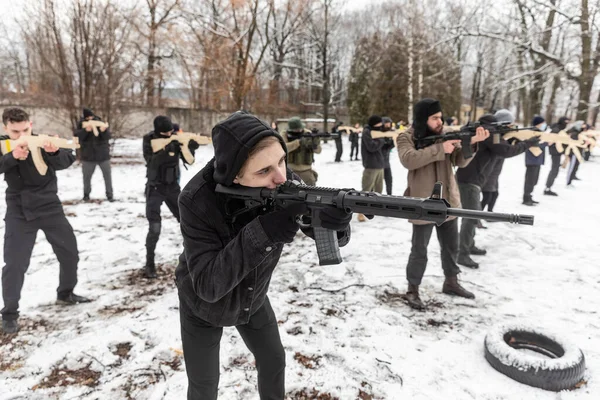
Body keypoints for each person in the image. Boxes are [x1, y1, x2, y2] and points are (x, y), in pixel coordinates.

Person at [175, 111, 352, 399]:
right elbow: (208, 285)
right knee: (204, 385)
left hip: (253, 295)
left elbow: (313, 222)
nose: (282, 177)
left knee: (273, 360)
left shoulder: (281, 180)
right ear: (234, 175)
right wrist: (265, 231)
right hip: (201, 307)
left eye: (282, 160)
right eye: (264, 171)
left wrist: (334, 224)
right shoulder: (196, 200)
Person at [1, 107, 90, 334]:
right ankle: (10, 313)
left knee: (69, 252)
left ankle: (65, 293)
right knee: (14, 264)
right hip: (19, 210)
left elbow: (68, 159)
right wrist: (12, 157)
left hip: (49, 205)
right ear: (5, 128)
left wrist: (52, 152)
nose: (21, 135)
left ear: (31, 124)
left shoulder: (43, 140)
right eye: (15, 131)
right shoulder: (4, 145)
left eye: (25, 129)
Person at [396, 98, 488, 310]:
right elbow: (408, 160)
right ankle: (413, 289)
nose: (440, 121)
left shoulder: (446, 133)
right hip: (423, 202)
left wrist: (471, 144)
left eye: (440, 117)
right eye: (435, 118)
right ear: (423, 118)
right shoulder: (406, 137)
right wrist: (440, 149)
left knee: (451, 246)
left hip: (448, 200)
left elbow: (459, 161)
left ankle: (451, 281)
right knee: (420, 249)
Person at [455, 114, 539, 268]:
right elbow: (505, 151)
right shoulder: (490, 132)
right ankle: (462, 253)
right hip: (469, 180)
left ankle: (469, 245)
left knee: (473, 214)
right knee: (471, 217)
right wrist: (527, 143)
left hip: (470, 178)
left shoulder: (485, 130)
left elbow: (499, 147)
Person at [142, 115, 200, 279]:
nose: (169, 135)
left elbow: (189, 161)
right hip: (155, 187)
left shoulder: (175, 138)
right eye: (166, 133)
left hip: (172, 188)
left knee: (187, 221)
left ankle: (193, 259)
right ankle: (149, 264)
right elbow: (150, 161)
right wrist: (166, 150)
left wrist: (191, 147)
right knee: (154, 228)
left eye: (170, 132)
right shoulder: (149, 140)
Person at [75, 108, 113, 202]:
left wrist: (103, 131)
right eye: (88, 117)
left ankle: (110, 195)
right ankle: (86, 195)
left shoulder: (99, 122)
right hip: (88, 156)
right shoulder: (81, 124)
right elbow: (78, 136)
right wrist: (85, 131)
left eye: (91, 116)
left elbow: (108, 137)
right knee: (86, 178)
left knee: (107, 177)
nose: (90, 118)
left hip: (103, 155)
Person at [358, 115, 386, 222]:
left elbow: (382, 148)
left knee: (378, 190)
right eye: (379, 124)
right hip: (371, 165)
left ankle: (374, 209)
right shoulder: (367, 132)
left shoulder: (377, 132)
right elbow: (372, 147)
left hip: (379, 165)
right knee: (366, 190)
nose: (381, 126)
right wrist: (382, 139)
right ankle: (360, 212)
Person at [280, 117, 321, 185]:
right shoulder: (284, 134)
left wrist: (314, 145)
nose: (299, 130)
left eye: (300, 128)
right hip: (291, 171)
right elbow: (283, 149)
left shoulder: (308, 133)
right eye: (296, 130)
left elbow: (319, 151)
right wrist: (299, 142)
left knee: (311, 192)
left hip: (307, 171)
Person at [523, 116, 548, 205]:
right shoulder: (532, 133)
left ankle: (529, 196)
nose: (544, 124)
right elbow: (533, 145)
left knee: (534, 180)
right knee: (530, 179)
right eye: (542, 123)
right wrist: (546, 143)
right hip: (532, 160)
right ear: (538, 123)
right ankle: (526, 198)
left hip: (537, 160)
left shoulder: (540, 132)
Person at [544, 116, 570, 196]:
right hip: (555, 152)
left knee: (555, 170)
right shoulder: (556, 129)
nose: (567, 123)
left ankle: (548, 187)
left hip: (557, 152)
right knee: (554, 170)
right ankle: (547, 188)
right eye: (566, 122)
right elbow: (550, 142)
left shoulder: (560, 129)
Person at [566, 121, 586, 187]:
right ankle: (568, 182)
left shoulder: (579, 133)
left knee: (575, 167)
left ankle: (571, 180)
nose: (584, 126)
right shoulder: (574, 133)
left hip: (578, 153)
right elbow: (574, 143)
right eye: (582, 125)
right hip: (574, 153)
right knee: (572, 167)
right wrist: (583, 144)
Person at [381, 117, 395, 195]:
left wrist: (391, 142)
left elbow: (391, 145)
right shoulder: (379, 133)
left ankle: (389, 195)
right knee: (377, 183)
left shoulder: (390, 132)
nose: (388, 125)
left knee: (389, 180)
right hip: (378, 163)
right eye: (386, 124)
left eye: (389, 124)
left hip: (386, 162)